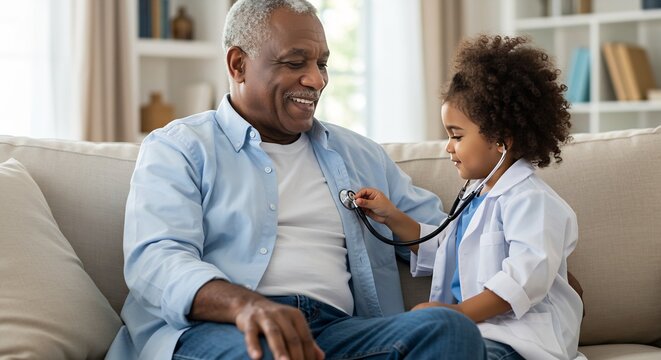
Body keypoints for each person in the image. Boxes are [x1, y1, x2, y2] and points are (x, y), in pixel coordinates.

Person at [106, 0, 488, 359]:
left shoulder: (362, 156)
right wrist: (247, 305)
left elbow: (451, 243)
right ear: (238, 64)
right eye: (295, 62)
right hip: (219, 330)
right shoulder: (181, 148)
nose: (316, 79)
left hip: (339, 333)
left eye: (322, 64)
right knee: (270, 351)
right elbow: (156, 260)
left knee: (448, 330)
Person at [354, 35, 585, 360]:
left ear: (501, 140)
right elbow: (443, 250)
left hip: (522, 342)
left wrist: (455, 314)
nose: (448, 146)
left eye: (456, 135)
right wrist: (391, 216)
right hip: (476, 335)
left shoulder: (532, 201)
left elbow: (524, 280)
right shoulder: (476, 196)